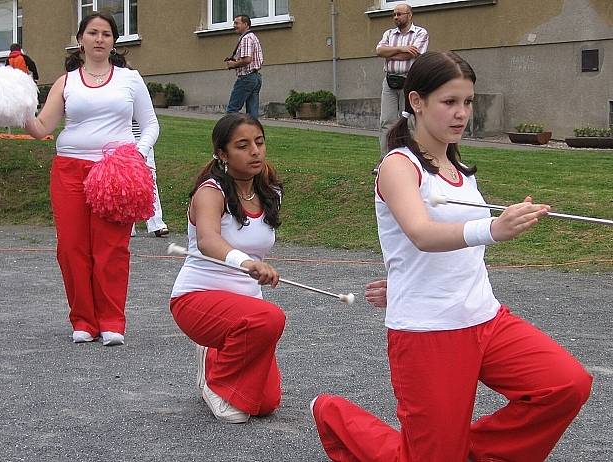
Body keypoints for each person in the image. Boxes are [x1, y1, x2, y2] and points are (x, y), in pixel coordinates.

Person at [310, 51, 592, 462]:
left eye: (468, 102)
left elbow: (446, 251)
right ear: (416, 102)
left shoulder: (459, 169)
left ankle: (461, 452)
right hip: (428, 332)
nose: (461, 114)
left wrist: (406, 277)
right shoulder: (398, 166)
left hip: (486, 318)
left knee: (566, 385)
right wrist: (494, 229)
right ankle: (332, 414)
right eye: (449, 102)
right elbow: (421, 233)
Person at [24, 12, 159, 346]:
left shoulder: (129, 79)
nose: (100, 39)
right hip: (69, 170)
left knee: (112, 248)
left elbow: (151, 124)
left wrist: (136, 155)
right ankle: (83, 320)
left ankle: (112, 321)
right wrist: (19, 109)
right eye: (93, 33)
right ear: (80, 39)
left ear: (114, 42)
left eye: (107, 34)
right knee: (72, 248)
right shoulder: (66, 82)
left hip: (116, 174)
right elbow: (42, 128)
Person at [170, 113, 285, 424]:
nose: (255, 152)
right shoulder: (210, 191)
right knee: (270, 318)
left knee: (266, 403)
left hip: (245, 309)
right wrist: (246, 262)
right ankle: (216, 382)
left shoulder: (269, 192)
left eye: (259, 143)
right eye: (243, 146)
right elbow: (208, 241)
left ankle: (215, 356)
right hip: (197, 298)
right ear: (222, 154)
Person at [376, 3, 428, 161]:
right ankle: (386, 160)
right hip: (390, 82)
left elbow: (413, 55)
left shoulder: (421, 33)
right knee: (387, 121)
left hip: (410, 82)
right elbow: (379, 51)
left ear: (410, 15)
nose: (396, 17)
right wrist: (403, 49)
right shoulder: (389, 34)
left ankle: (413, 160)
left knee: (410, 122)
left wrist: (391, 52)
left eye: (399, 14)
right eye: (394, 14)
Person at [130, 119, 169, 238]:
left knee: (149, 181)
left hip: (143, 140)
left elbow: (149, 120)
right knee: (125, 183)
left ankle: (156, 224)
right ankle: (128, 224)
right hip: (121, 138)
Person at [225, 15, 263, 118]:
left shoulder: (246, 38)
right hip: (256, 77)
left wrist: (234, 64)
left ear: (245, 24)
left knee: (232, 110)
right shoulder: (253, 37)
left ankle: (230, 133)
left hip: (246, 78)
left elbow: (247, 59)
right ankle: (253, 133)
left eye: (237, 23)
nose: (234, 26)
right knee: (252, 115)